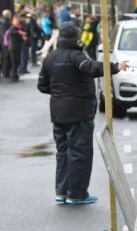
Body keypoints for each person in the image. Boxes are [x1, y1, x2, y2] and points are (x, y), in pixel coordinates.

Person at [37, 23, 126, 204]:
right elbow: (91, 68)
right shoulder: (77, 56)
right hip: (79, 113)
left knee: (62, 151)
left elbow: (42, 86)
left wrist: (60, 93)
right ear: (76, 38)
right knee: (79, 152)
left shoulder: (50, 58)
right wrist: (115, 67)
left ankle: (62, 192)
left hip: (58, 114)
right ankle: (77, 194)